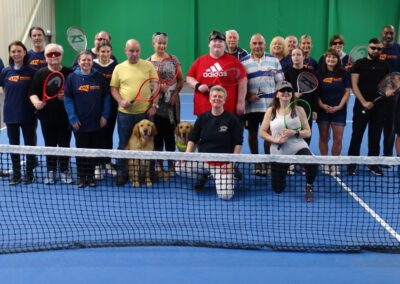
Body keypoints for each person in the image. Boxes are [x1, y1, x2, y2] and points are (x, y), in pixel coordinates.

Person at [175, 85, 243, 200]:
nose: (217, 98)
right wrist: (185, 156)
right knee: (179, 167)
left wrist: (231, 163)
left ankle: (227, 174)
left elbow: (238, 143)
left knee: (225, 196)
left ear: (224, 100)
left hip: (222, 164)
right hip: (204, 161)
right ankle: (203, 175)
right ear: (210, 99)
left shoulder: (232, 119)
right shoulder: (202, 118)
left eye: (220, 97)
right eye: (214, 96)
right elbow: (193, 139)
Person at [110, 39, 159, 186]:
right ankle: (122, 174)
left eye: (137, 51)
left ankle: (149, 175)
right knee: (124, 145)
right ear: (125, 50)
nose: (134, 54)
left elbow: (156, 86)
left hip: (144, 114)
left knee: (148, 145)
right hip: (125, 114)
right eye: (131, 51)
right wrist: (120, 101)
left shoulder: (148, 65)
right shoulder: (119, 68)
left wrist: (154, 105)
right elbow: (114, 89)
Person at [258, 81, 317, 202]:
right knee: (278, 189)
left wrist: (294, 133)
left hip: (298, 147)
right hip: (278, 151)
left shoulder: (299, 110)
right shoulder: (271, 111)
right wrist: (275, 139)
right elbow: (262, 132)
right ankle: (284, 170)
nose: (286, 92)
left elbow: (308, 132)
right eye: (282, 90)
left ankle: (309, 186)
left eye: (289, 90)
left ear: (292, 94)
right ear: (277, 94)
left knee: (311, 163)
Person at [63, 50, 110, 188]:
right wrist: (72, 117)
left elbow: (106, 98)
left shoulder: (99, 77)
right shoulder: (72, 78)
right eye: (83, 60)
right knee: (81, 150)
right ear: (78, 62)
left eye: (89, 60)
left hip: (96, 121)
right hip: (79, 122)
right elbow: (68, 99)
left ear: (92, 61)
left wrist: (105, 115)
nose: (86, 62)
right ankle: (82, 177)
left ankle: (91, 177)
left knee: (93, 150)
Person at [30, 43, 73, 184]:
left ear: (61, 55)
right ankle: (51, 170)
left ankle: (64, 170)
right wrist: (36, 102)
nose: (53, 56)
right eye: (50, 54)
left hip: (65, 117)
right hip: (47, 117)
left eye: (56, 53)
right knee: (50, 144)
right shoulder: (39, 73)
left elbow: (75, 93)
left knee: (64, 144)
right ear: (45, 57)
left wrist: (67, 96)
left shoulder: (69, 72)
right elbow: (32, 93)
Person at [241, 33, 284, 175]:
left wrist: (277, 99)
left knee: (269, 134)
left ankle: (267, 160)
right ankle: (256, 162)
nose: (257, 46)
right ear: (250, 45)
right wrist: (248, 96)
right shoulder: (243, 62)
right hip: (251, 108)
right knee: (252, 135)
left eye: (260, 43)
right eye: (255, 43)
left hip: (270, 107)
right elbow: (240, 86)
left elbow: (280, 82)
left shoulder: (274, 60)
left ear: (264, 45)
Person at [347, 38, 390, 176]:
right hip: (361, 106)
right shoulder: (359, 64)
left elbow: (387, 84)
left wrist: (388, 91)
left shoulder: (385, 66)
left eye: (379, 49)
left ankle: (373, 164)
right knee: (357, 135)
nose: (376, 51)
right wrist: (364, 102)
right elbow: (354, 85)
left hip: (380, 107)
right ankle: (351, 163)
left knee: (375, 136)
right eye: (373, 48)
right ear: (368, 47)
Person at [0, 41, 37, 185]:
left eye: (19, 51)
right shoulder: (5, 72)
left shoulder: (32, 72)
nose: (16, 54)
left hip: (28, 115)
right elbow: (5, 89)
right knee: (13, 145)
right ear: (10, 54)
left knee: (29, 145)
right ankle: (16, 174)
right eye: (13, 51)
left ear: (24, 53)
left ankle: (29, 173)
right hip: (10, 115)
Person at [186, 30, 247, 116]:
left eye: (220, 41)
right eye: (214, 41)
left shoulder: (234, 62)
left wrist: (241, 102)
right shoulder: (199, 61)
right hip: (203, 110)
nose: (217, 43)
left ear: (224, 44)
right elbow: (189, 77)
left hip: (228, 110)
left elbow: (243, 80)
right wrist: (198, 85)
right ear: (209, 44)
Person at [148, 32, 184, 175]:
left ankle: (171, 164)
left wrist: (174, 93)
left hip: (171, 105)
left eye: (164, 43)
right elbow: (148, 84)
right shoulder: (148, 61)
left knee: (170, 135)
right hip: (155, 105)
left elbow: (181, 80)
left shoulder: (173, 60)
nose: (162, 45)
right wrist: (157, 89)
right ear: (153, 44)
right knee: (156, 135)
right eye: (159, 43)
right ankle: (158, 164)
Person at [316, 49, 351, 175]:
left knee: (338, 138)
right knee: (324, 137)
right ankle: (325, 161)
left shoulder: (344, 73)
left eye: (334, 57)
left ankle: (334, 162)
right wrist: (322, 105)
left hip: (339, 110)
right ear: (325, 59)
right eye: (329, 57)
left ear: (338, 59)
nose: (331, 59)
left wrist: (340, 106)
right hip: (323, 110)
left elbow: (347, 91)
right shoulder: (319, 73)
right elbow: (316, 92)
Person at [92, 40, 119, 180]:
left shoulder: (115, 65)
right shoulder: (93, 65)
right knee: (98, 134)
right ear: (97, 51)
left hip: (113, 105)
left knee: (108, 134)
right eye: (103, 51)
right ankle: (97, 165)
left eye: (108, 51)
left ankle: (107, 162)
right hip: (96, 106)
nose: (105, 54)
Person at [284, 47, 317, 145]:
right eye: (293, 55)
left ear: (303, 57)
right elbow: (284, 91)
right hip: (291, 109)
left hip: (307, 109)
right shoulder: (287, 73)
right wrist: (292, 95)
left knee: (306, 133)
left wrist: (315, 109)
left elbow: (314, 93)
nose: (296, 57)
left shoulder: (310, 73)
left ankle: (304, 157)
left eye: (298, 54)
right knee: (291, 133)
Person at [380, 25, 400, 158]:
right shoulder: (377, 48)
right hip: (380, 93)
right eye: (386, 32)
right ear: (382, 33)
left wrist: (396, 87)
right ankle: (372, 158)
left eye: (391, 33)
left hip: (396, 95)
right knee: (375, 127)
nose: (389, 35)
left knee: (390, 127)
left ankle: (387, 156)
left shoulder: (398, 48)